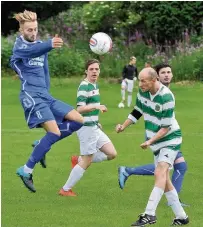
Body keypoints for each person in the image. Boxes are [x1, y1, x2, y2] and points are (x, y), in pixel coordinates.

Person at [9, 10, 84, 193]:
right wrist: (50, 44)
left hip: (45, 95)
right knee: (55, 133)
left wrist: (48, 92)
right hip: (31, 96)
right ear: (21, 30)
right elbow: (33, 50)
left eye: (35, 29)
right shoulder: (19, 47)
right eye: (29, 30)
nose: (33, 33)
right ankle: (26, 170)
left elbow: (45, 71)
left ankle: (42, 143)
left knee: (78, 120)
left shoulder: (41, 46)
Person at [116, 67, 189, 226]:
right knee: (165, 179)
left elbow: (166, 127)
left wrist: (149, 141)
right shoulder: (143, 92)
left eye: (143, 81)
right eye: (139, 80)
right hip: (155, 141)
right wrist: (124, 126)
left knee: (160, 172)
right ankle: (181, 217)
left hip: (170, 139)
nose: (140, 84)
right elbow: (137, 111)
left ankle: (149, 214)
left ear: (154, 80)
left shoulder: (166, 97)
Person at [58, 59, 117, 196]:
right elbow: (79, 109)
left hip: (94, 126)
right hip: (86, 128)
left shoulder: (94, 85)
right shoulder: (84, 86)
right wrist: (96, 106)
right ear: (86, 71)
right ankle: (65, 189)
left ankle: (78, 160)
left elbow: (91, 109)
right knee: (88, 160)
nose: (94, 71)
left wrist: (96, 121)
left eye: (97, 69)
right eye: (91, 69)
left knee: (112, 153)